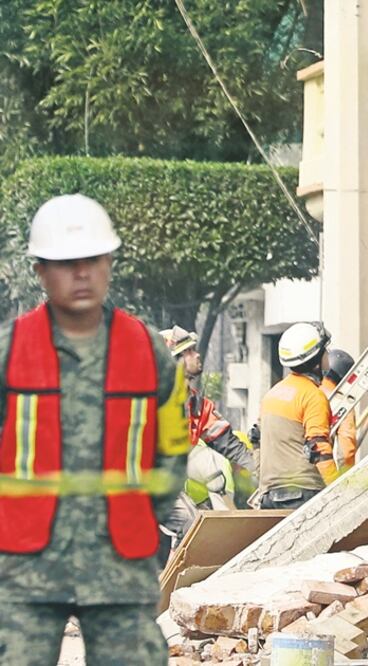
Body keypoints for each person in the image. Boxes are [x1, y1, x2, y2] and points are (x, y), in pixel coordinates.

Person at [0, 194, 189, 665]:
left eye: (92, 260)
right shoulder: (10, 351)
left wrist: (144, 515)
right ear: (40, 271)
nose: (81, 273)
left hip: (120, 565)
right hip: (26, 571)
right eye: (65, 263)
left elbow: (172, 449)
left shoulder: (148, 352)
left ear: (109, 263)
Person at [159, 325, 256, 477]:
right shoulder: (152, 403)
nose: (197, 355)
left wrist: (258, 471)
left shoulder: (198, 406)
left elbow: (228, 444)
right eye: (188, 351)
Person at [255, 322, 333, 509]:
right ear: (316, 359)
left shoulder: (272, 394)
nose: (328, 357)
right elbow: (318, 447)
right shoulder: (313, 396)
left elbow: (255, 439)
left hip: (269, 497)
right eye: (326, 352)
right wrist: (339, 490)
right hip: (302, 495)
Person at [318, 349, 358, 483]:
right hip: (320, 476)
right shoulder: (342, 403)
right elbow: (347, 451)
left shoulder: (309, 392)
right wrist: (344, 481)